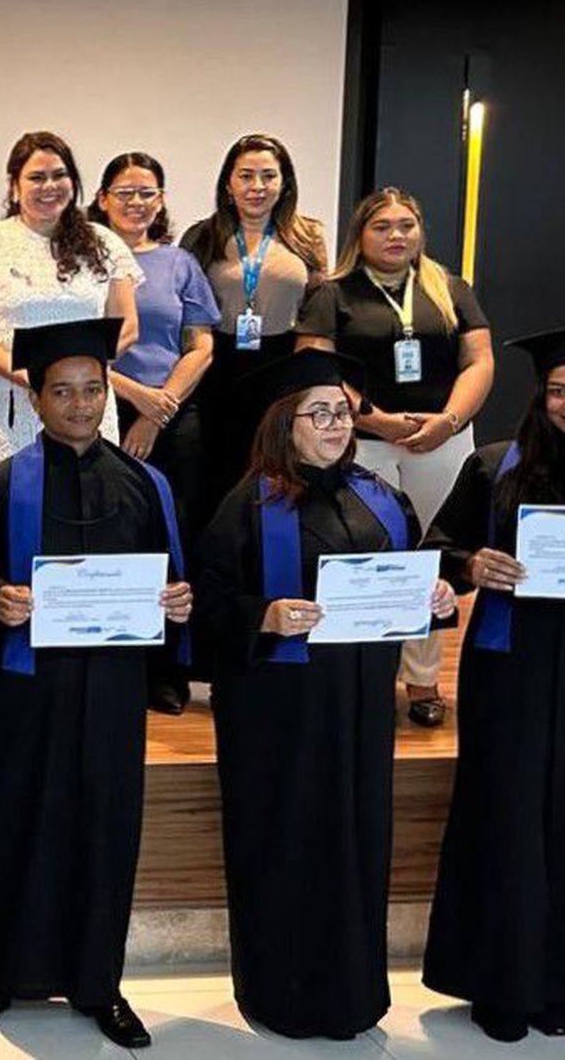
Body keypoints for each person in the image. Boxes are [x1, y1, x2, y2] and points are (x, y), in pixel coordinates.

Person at [194, 349, 456, 1040]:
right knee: (285, 841)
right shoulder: (246, 505)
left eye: (344, 412)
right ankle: (278, 994)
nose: (338, 424)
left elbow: (407, 583)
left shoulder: (380, 494)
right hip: (277, 717)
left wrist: (433, 598)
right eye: (321, 414)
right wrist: (266, 614)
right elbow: (206, 607)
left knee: (357, 836)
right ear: (286, 424)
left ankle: (353, 995)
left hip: (362, 707)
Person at [0, 319, 192, 1050]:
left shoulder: (147, 484)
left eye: (92, 389)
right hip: (25, 692)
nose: (81, 405)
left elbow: (174, 586)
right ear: (38, 397)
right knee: (12, 823)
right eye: (64, 391)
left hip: (112, 691)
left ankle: (99, 983)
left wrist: (176, 605)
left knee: (106, 829)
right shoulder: (5, 481)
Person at [296, 187, 493, 727]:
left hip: (443, 441)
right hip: (362, 443)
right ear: (360, 234)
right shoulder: (333, 293)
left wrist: (448, 421)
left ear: (420, 231)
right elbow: (317, 367)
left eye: (406, 225)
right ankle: (366, 675)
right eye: (382, 226)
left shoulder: (450, 287)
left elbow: (478, 359)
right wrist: (372, 418)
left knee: (433, 562)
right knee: (372, 559)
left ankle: (424, 680)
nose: (396, 235)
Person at [421, 328, 565, 1042]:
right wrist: (473, 566)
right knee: (506, 813)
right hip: (512, 664)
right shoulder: (492, 465)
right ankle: (503, 985)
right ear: (543, 393)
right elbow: (434, 553)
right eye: (561, 389)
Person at [89, 151, 220, 714]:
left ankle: (168, 668)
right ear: (101, 199)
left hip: (174, 416)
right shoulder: (85, 258)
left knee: (172, 539)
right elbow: (75, 347)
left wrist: (156, 410)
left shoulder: (178, 263)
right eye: (124, 192)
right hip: (100, 411)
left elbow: (202, 346)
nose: (136, 202)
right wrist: (132, 399)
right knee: (113, 538)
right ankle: (117, 657)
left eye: (147, 192)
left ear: (161, 200)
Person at [0, 131, 141, 481]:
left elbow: (127, 325)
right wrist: (31, 377)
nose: (49, 186)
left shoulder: (105, 244)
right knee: (13, 512)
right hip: (11, 404)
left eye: (59, 175)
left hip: (87, 405)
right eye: (36, 177)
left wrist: (77, 376)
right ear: (15, 185)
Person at [180, 133, 329, 524]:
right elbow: (186, 309)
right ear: (228, 183)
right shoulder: (202, 235)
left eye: (269, 175)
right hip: (217, 368)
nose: (257, 187)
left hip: (281, 366)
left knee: (275, 471)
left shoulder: (307, 236)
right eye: (246, 175)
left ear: (285, 183)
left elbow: (317, 306)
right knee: (215, 476)